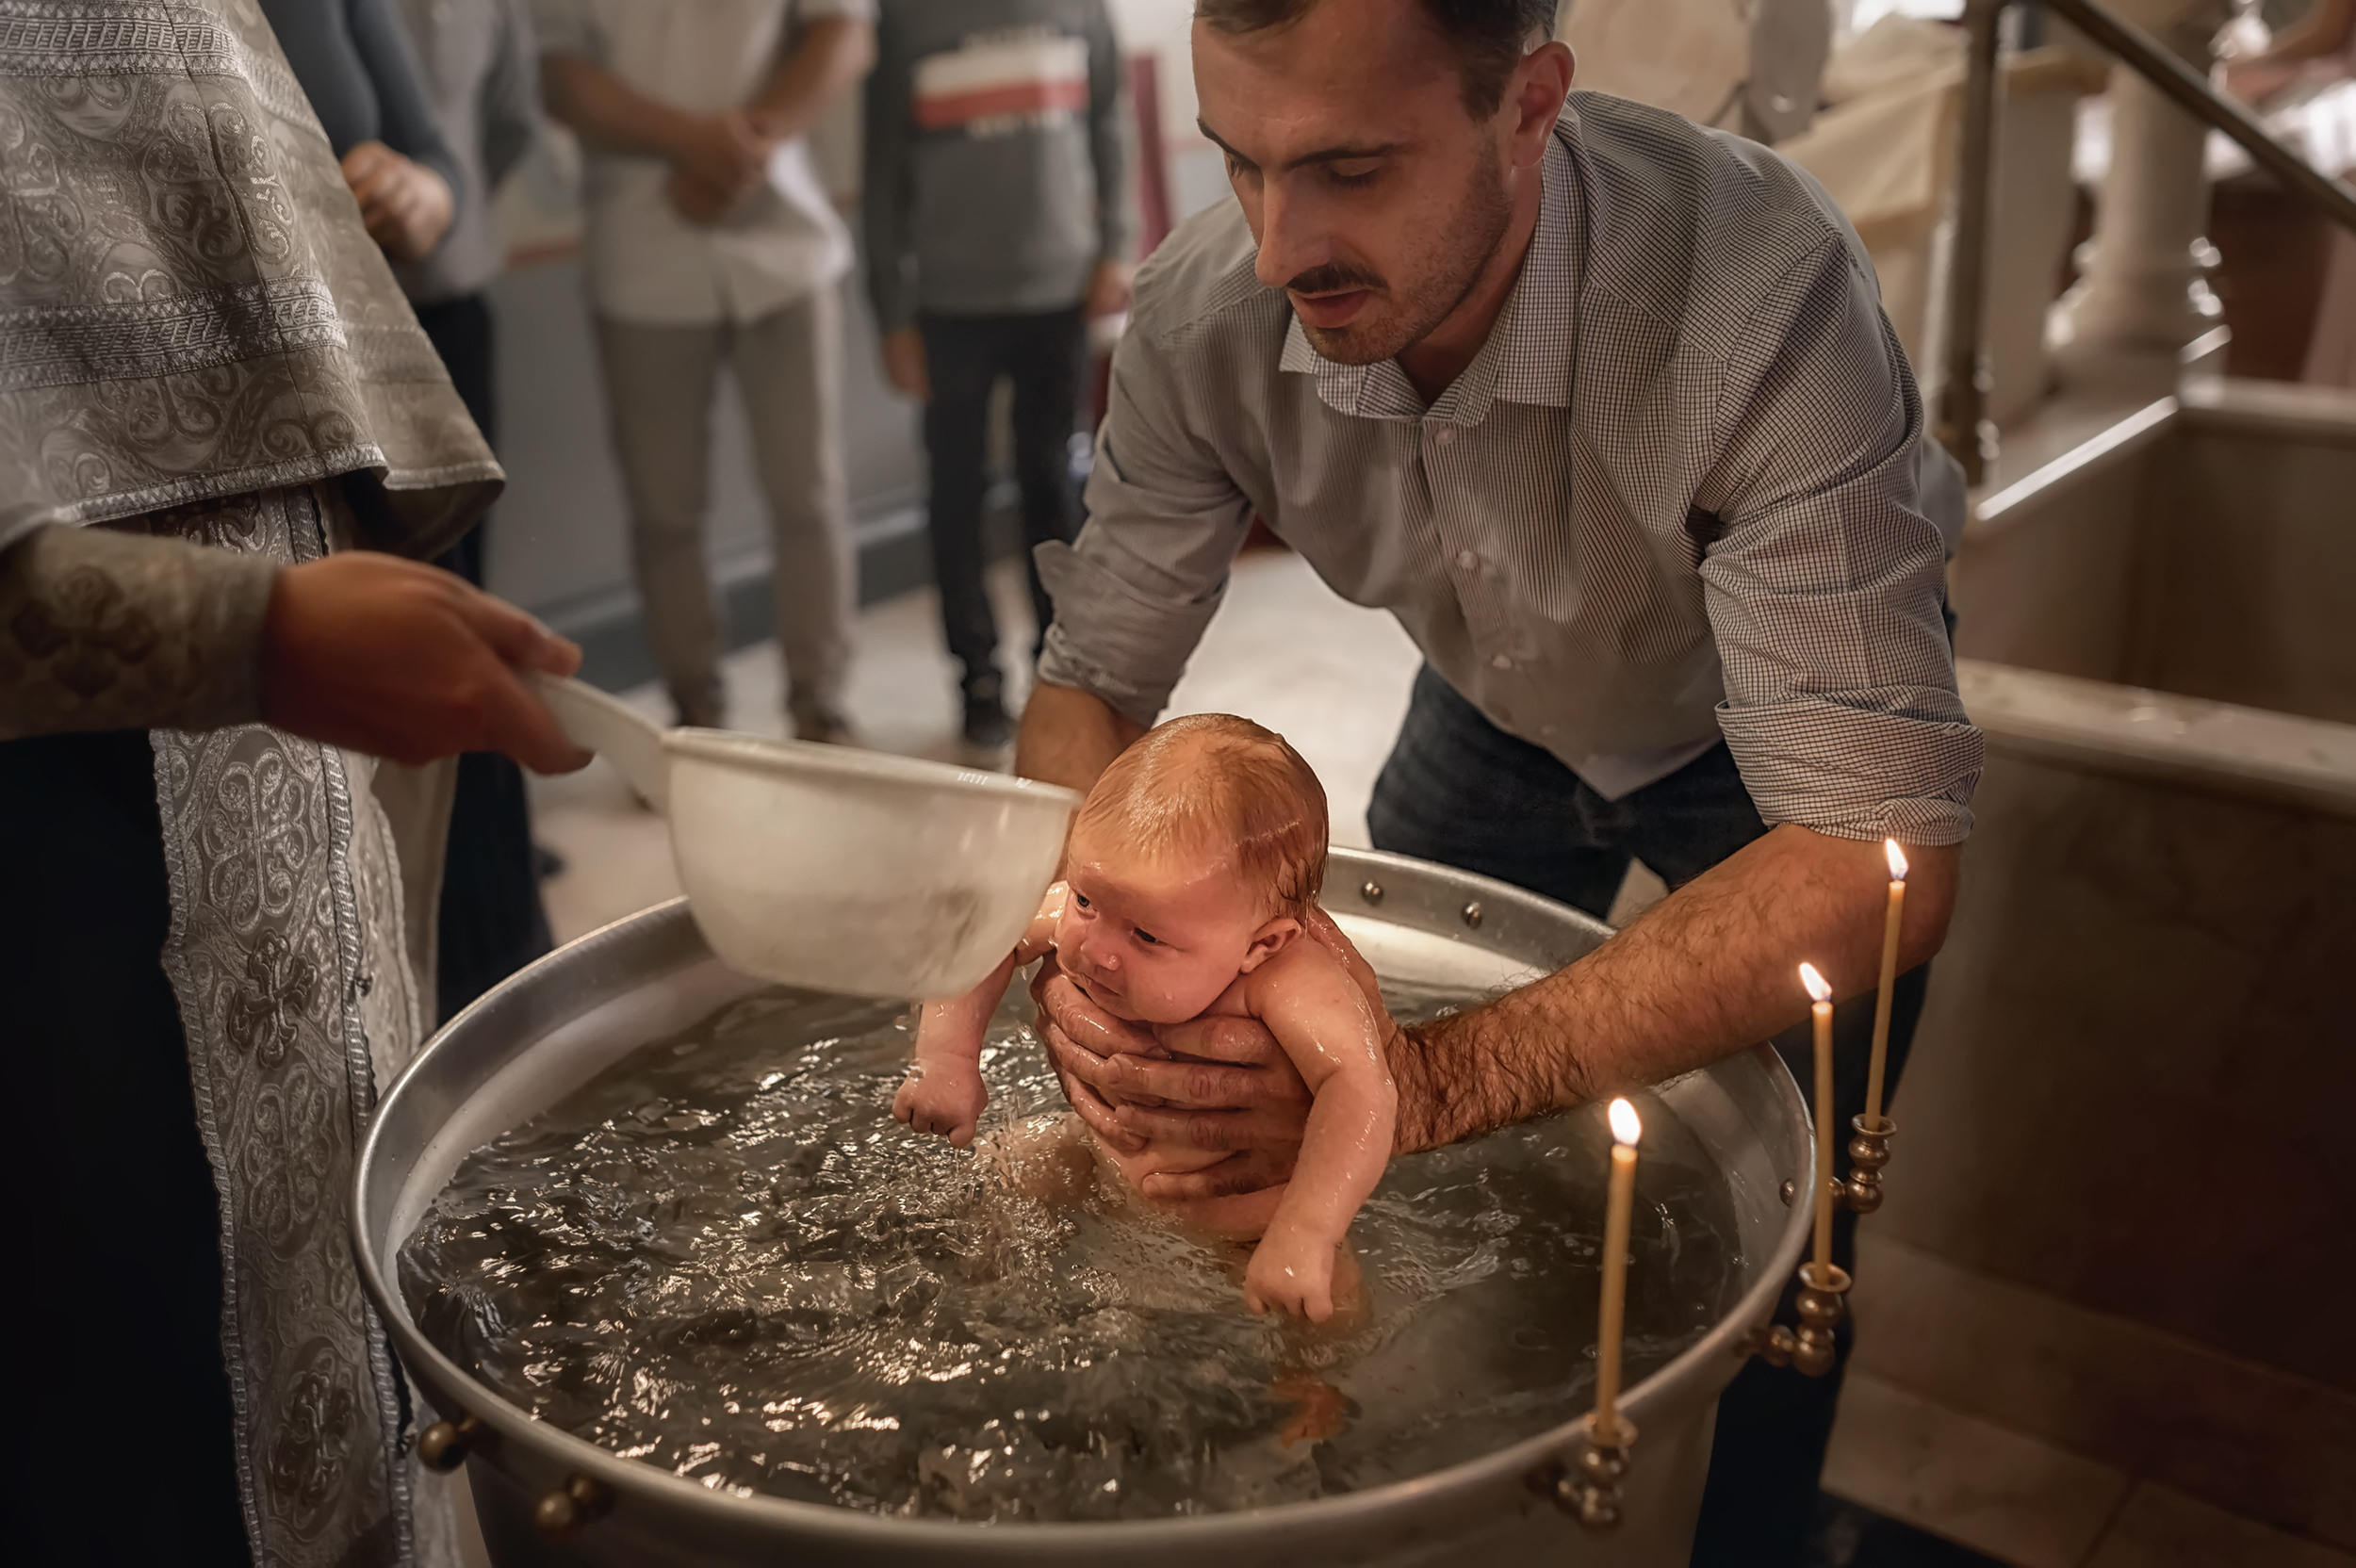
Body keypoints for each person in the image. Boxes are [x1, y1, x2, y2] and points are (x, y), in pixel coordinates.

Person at [1006, 2, 1980, 1562]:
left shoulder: (1755, 291)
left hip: (1779, 747)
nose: (1276, 245)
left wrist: (1434, 1076)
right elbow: (1090, 683)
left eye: (1349, 168)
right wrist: (1079, 945)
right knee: (1392, 1182)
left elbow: (1879, 858)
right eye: (1240, 165)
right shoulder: (1206, 312)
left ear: (1531, 105)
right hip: (1490, 705)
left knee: (1788, 1243)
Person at [0, 7, 585, 1565]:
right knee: (131, 1384)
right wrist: (242, 634)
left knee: (339, 1270)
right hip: (54, 806)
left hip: (289, 688)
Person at [895, 714, 1394, 1321]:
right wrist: (947, 1058)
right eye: (1084, 900)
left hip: (1245, 1226)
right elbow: (984, 940)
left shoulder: (1289, 980)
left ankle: (1312, 1404)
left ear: (1260, 944)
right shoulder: (1111, 908)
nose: (1095, 949)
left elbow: (1361, 1088)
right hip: (1095, 1161)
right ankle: (966, 1301)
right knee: (1004, 1168)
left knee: (1328, 1304)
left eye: (1147, 935)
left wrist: (1308, 1230)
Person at [536, 0, 875, 741]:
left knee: (810, 494)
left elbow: (844, 33)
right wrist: (695, 142)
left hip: (785, 246)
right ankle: (696, 713)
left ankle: (820, 705)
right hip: (643, 252)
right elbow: (560, 76)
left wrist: (742, 149)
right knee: (664, 512)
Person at [862, 0, 1136, 749]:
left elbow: (1110, 123)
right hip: (950, 305)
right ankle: (976, 679)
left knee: (1053, 485)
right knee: (956, 494)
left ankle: (1063, 673)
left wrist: (1115, 243)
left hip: (1060, 294)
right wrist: (891, 314)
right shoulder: (905, 19)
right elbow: (881, 173)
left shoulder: (1082, 10)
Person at [384, 0, 562, 1020]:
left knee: (466, 610)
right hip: (314, 352)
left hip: (442, 307)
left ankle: (495, 918)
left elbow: (497, 125)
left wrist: (441, 205)